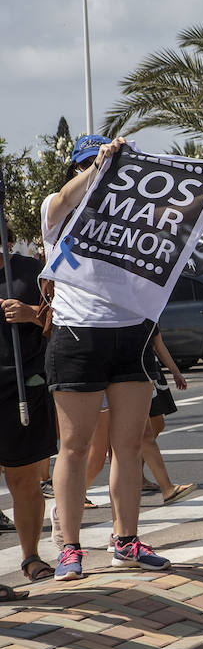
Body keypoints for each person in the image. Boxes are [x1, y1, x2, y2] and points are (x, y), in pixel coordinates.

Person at [42, 136, 171, 580]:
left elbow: (179, 225)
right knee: (75, 448)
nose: (105, 175)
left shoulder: (136, 217)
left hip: (131, 335)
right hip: (78, 335)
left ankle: (126, 541)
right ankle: (71, 549)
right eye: (91, 165)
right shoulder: (58, 213)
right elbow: (62, 199)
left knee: (129, 447)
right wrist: (98, 168)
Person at [1, 219, 56, 591]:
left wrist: (30, 314)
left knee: (24, 479)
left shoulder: (32, 272)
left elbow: (62, 321)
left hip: (23, 388)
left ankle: (31, 556)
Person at [142, 329, 195, 504]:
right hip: (129, 370)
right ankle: (73, 495)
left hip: (146, 367)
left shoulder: (147, 308)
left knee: (154, 426)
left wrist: (175, 371)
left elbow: (157, 342)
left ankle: (143, 478)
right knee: (105, 443)